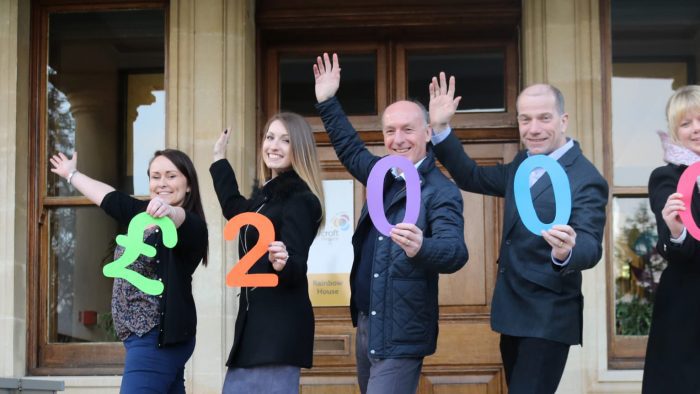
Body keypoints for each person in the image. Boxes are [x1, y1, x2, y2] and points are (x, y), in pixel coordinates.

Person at [429, 74, 608, 393]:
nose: (533, 128)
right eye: (525, 119)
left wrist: (566, 251)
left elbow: (591, 245)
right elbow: (471, 176)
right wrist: (441, 129)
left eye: (544, 118)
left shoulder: (585, 177)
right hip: (511, 313)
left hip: (548, 318)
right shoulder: (522, 164)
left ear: (563, 120)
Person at [313, 53, 468, 394]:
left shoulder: (441, 191)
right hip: (369, 324)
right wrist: (327, 101)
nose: (398, 139)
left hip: (402, 333)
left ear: (427, 132)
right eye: (390, 130)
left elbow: (456, 251)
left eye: (408, 130)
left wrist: (422, 246)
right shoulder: (383, 175)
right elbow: (350, 149)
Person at [50, 149, 208, 393]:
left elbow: (180, 218)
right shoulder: (142, 216)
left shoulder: (192, 224)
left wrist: (168, 211)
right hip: (143, 340)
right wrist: (71, 174)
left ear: (188, 185)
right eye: (155, 176)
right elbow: (108, 197)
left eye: (171, 176)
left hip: (155, 338)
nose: (162, 183)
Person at [210, 113, 324, 394]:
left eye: (285, 140)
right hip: (254, 327)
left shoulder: (300, 199)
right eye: (269, 137)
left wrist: (283, 261)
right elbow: (234, 208)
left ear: (299, 148)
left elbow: (297, 264)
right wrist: (218, 158)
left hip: (278, 331)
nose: (274, 145)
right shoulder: (265, 197)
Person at [642, 85, 700, 393]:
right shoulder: (666, 178)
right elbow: (677, 250)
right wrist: (676, 230)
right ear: (674, 131)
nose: (696, 129)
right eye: (686, 123)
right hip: (687, 306)